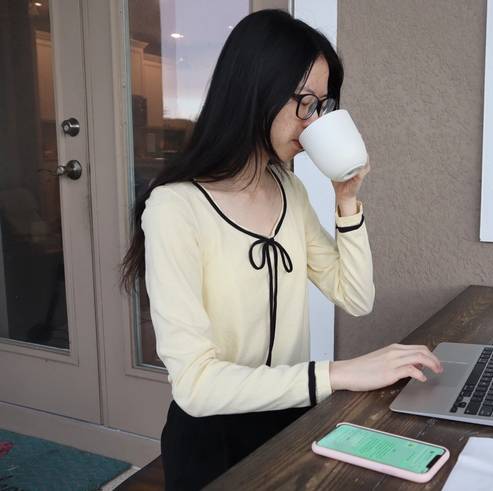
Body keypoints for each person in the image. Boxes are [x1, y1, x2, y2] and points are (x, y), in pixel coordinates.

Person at [120, 9, 443, 490]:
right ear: (257, 90)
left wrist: (347, 200)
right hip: (214, 442)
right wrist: (339, 373)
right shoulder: (174, 208)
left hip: (291, 423)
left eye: (322, 105)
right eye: (305, 103)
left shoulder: (288, 190)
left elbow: (356, 297)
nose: (313, 121)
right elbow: (195, 386)